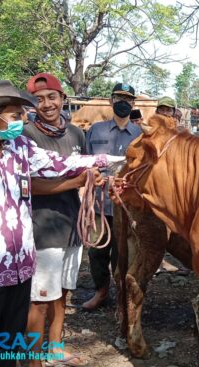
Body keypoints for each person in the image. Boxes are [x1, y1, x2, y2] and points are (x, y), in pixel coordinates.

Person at [0, 80, 123, 367]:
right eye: (15, 115)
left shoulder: (19, 147)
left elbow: (60, 163)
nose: (23, 120)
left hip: (19, 270)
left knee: (5, 354)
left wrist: (109, 160)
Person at [21, 73, 90, 367]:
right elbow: (29, 185)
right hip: (42, 226)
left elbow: (88, 172)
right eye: (39, 99)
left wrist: (96, 183)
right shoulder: (26, 135)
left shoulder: (76, 135)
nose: (47, 104)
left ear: (63, 99)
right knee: (38, 298)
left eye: (52, 97)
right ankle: (33, 362)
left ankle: (56, 347)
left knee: (62, 292)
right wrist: (75, 181)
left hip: (71, 224)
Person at [83, 83, 143, 310]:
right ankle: (101, 291)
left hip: (126, 204)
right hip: (99, 202)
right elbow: (86, 162)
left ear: (133, 104)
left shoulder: (139, 134)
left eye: (127, 99)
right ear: (110, 101)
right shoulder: (96, 130)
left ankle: (121, 296)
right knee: (97, 251)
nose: (122, 103)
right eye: (118, 98)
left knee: (124, 252)